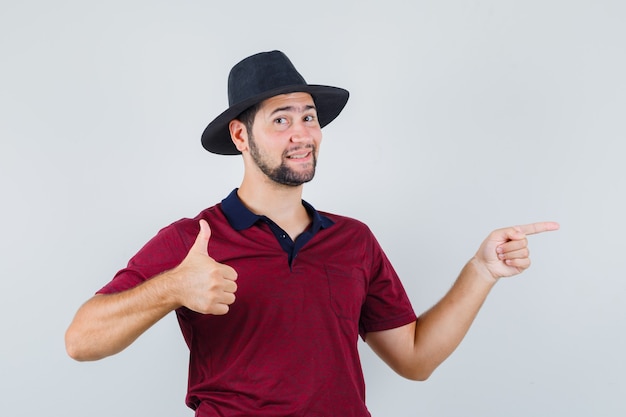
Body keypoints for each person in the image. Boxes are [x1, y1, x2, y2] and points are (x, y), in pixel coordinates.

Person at [65, 50, 559, 417]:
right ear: (241, 136)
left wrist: (481, 271)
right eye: (281, 120)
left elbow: (414, 359)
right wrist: (172, 287)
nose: (301, 134)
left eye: (308, 118)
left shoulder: (354, 241)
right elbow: (81, 339)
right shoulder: (193, 240)